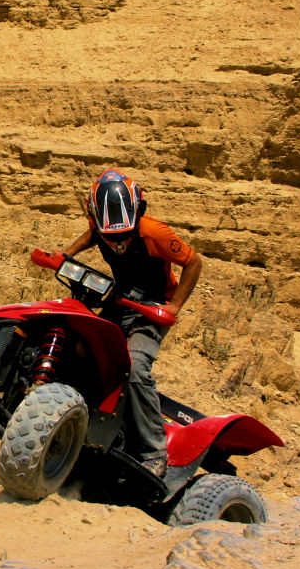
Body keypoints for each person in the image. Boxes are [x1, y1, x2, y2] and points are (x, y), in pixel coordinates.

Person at [61, 168, 203, 479]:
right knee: (84, 349)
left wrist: (175, 304)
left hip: (151, 311)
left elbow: (193, 262)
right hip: (120, 300)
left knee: (135, 367)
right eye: (111, 236)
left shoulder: (155, 233)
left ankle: (154, 452)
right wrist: (67, 254)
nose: (118, 242)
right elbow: (92, 234)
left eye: (124, 235)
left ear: (137, 212)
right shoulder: (100, 224)